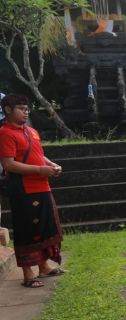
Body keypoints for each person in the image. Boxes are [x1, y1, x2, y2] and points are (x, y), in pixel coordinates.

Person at [0, 94, 65, 288]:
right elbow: (8, 164)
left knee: (44, 227)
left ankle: (43, 267)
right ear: (8, 110)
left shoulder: (31, 131)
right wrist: (39, 170)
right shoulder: (4, 133)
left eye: (27, 108)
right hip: (23, 190)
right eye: (21, 108)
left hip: (42, 186)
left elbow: (39, 154)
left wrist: (53, 165)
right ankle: (28, 274)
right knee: (28, 231)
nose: (25, 111)